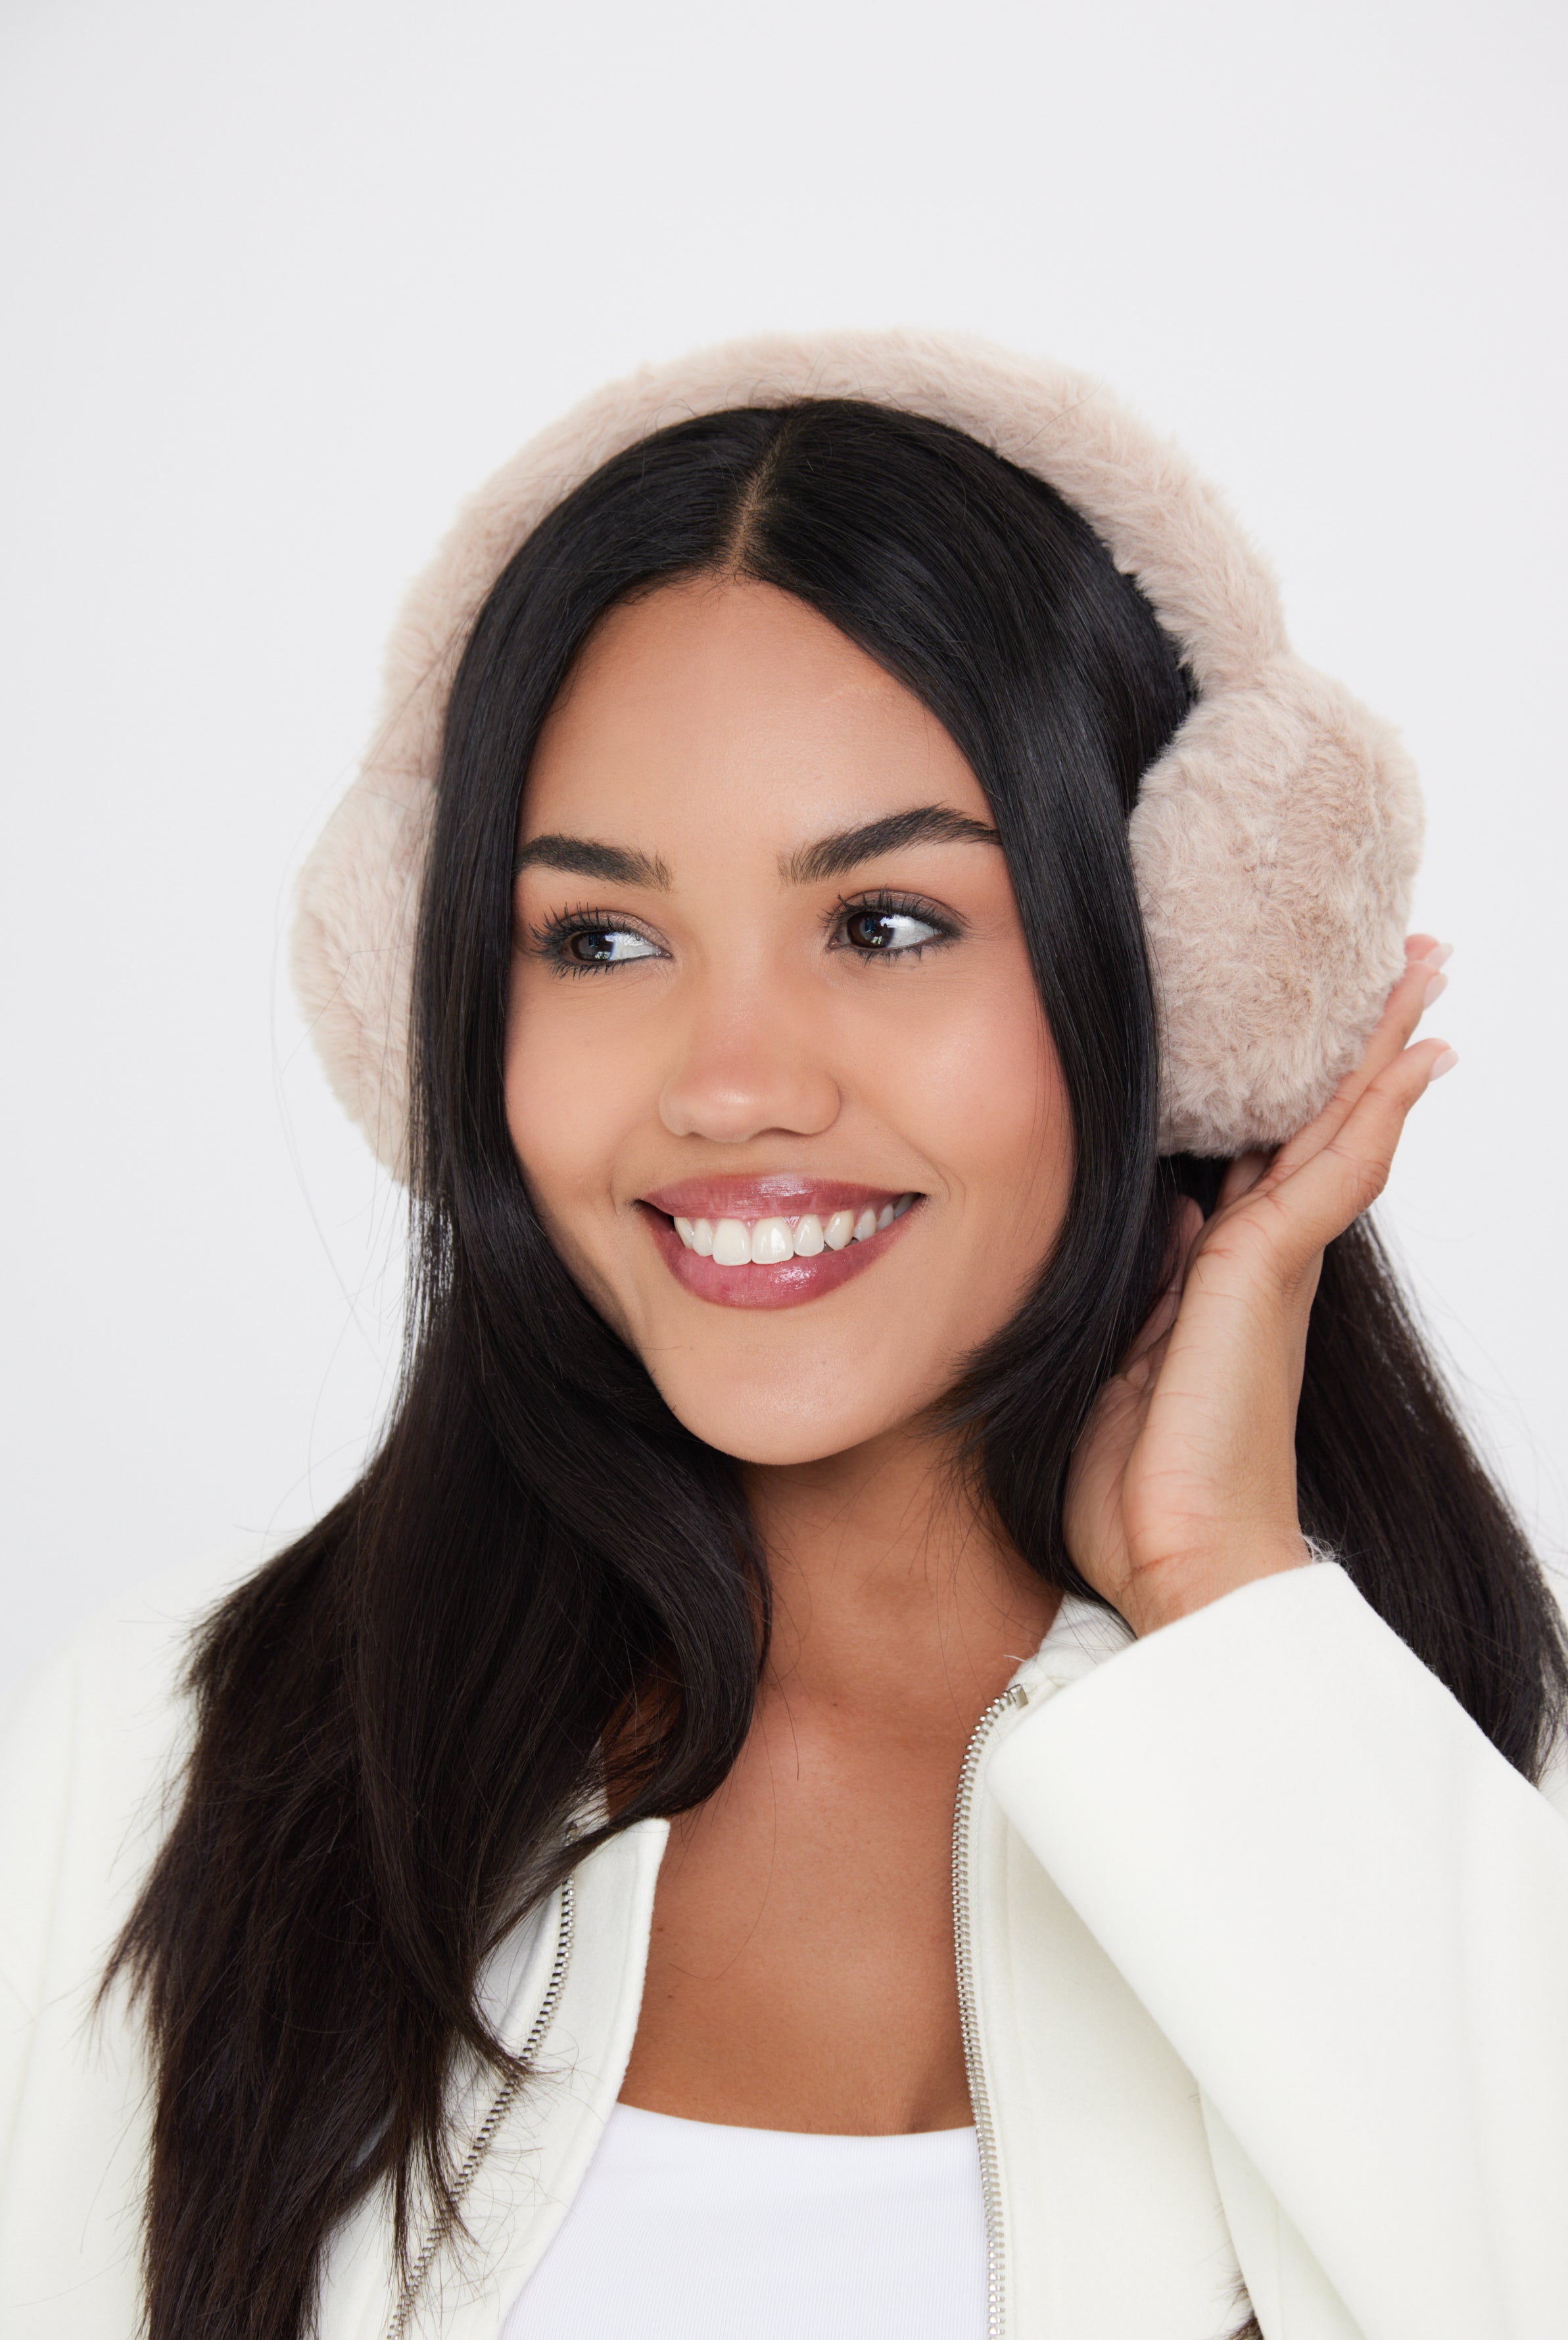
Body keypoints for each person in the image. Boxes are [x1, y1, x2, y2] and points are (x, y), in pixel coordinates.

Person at [3, 331, 1567, 2340]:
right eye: (602, 940)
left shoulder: (1456, 1800)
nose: (728, 1084)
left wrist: (1224, 1607)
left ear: (1182, 978)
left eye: (887, 922)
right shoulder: (163, 1757)